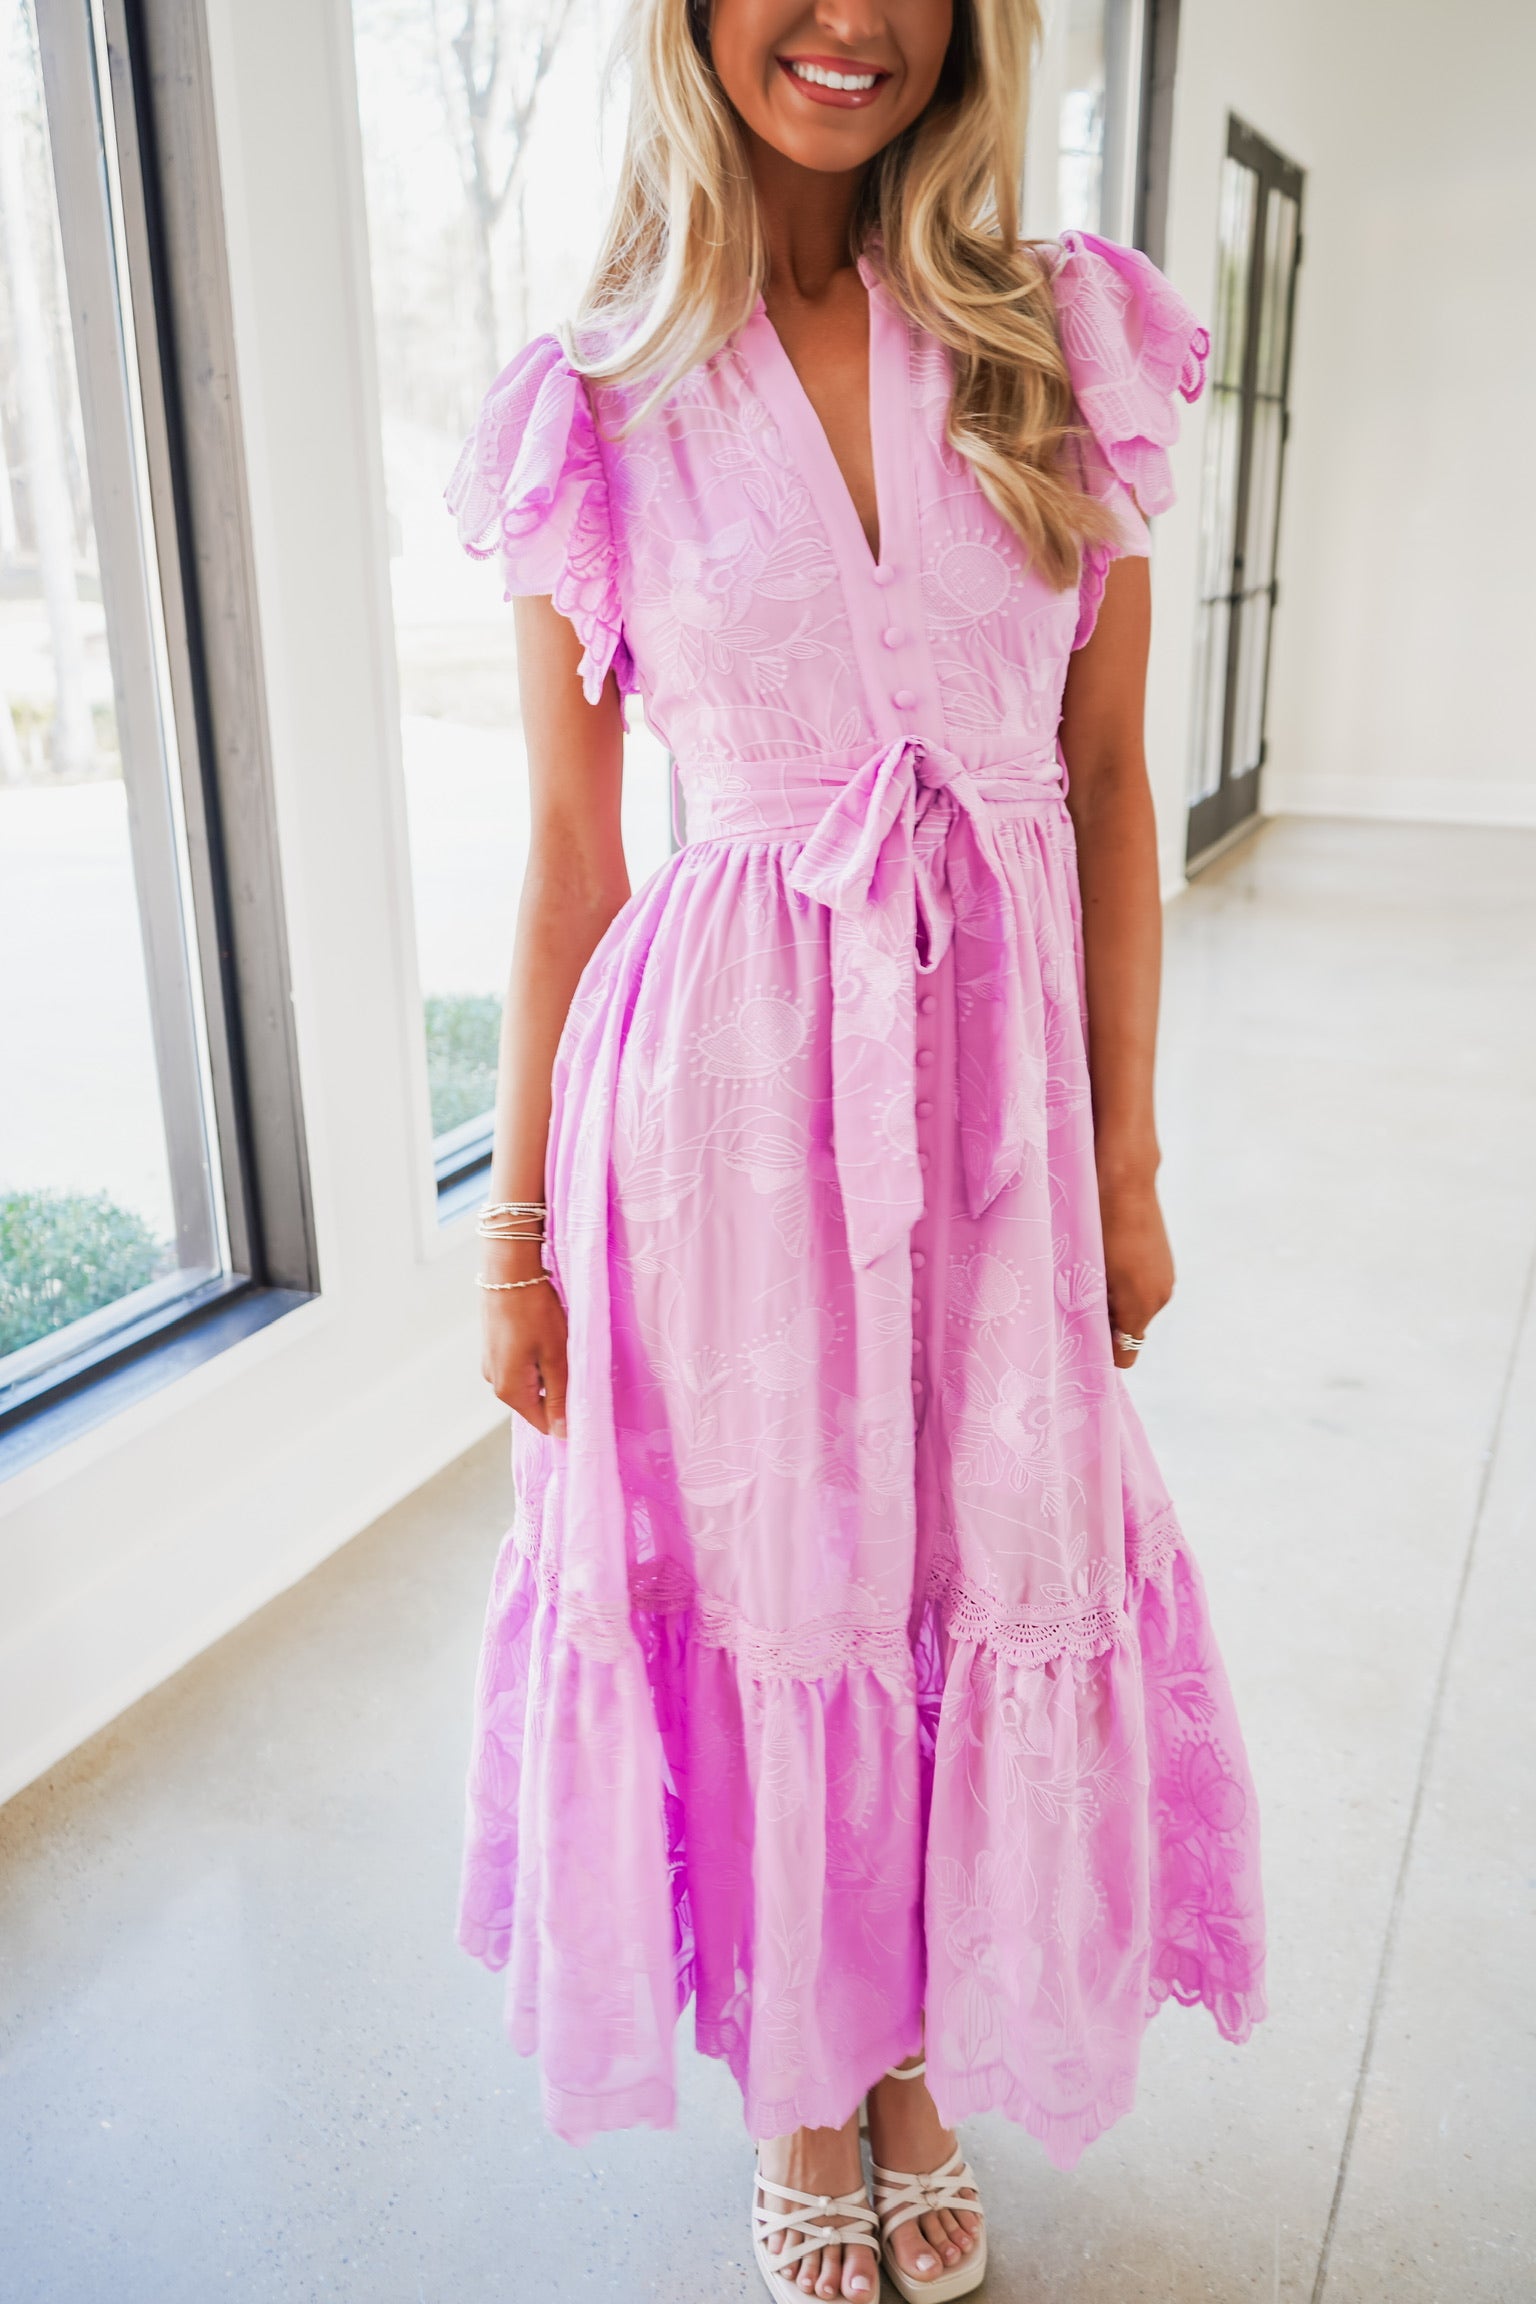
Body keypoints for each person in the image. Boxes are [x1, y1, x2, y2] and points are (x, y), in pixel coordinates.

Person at [449, 0, 1266, 2295]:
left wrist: (1129, 1162)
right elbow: (571, 858)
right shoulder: (594, 401)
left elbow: (1103, 786)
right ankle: (812, 2088)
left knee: (972, 1556)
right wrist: (515, 1227)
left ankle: (920, 2060)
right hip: (717, 1117)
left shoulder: (1060, 344)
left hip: (996, 1108)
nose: (851, 20)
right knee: (782, 1582)